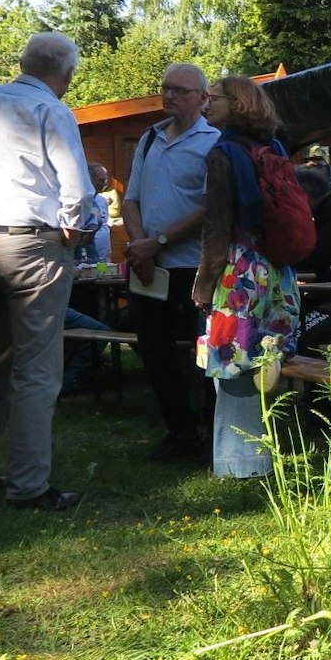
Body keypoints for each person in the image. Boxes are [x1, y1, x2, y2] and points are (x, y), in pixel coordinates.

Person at [0, 31, 94, 511]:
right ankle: (28, 487)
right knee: (36, 369)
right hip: (33, 243)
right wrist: (77, 229)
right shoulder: (52, 110)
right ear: (67, 73)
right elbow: (76, 188)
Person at [193, 75, 302, 478]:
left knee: (231, 359)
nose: (207, 105)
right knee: (261, 356)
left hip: (239, 273)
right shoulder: (272, 148)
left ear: (236, 104)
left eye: (213, 99)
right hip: (275, 267)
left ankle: (241, 464)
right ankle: (264, 453)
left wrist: (204, 284)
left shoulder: (222, 152)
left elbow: (217, 225)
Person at [122, 62, 221, 462]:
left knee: (204, 355)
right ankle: (180, 432)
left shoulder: (214, 143)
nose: (170, 96)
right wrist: (139, 246)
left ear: (203, 98)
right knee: (153, 350)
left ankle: (211, 437)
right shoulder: (149, 139)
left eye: (180, 90)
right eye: (166, 89)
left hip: (191, 268)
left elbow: (208, 207)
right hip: (149, 268)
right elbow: (131, 199)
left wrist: (157, 242)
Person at [75, 163, 114, 266]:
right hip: (88, 257)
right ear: (90, 179)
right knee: (92, 281)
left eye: (106, 180)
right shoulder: (82, 201)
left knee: (104, 279)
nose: (105, 184)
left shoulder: (102, 200)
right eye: (101, 180)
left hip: (103, 256)